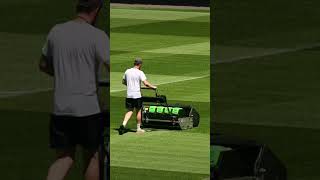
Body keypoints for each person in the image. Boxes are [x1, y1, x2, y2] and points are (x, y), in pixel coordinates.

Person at [39, 0, 109, 179]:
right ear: (96, 9)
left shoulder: (56, 31)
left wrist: (65, 75)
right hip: (88, 108)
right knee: (92, 156)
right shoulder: (97, 35)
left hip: (61, 107)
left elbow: (44, 64)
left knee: (64, 159)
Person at [118, 58, 157, 135]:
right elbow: (146, 83)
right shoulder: (140, 72)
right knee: (138, 111)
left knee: (129, 111)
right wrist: (153, 87)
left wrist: (130, 85)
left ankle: (123, 125)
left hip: (129, 95)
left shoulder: (127, 71)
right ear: (140, 64)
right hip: (137, 95)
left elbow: (123, 82)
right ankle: (138, 128)